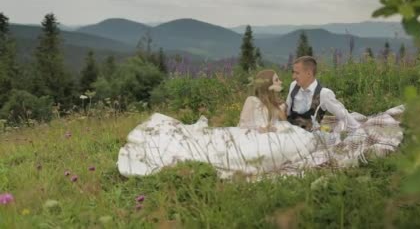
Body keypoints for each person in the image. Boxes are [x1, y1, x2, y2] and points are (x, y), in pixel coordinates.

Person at [117, 69, 405, 179]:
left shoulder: (279, 103)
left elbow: (294, 115)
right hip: (254, 137)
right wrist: (266, 129)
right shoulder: (253, 102)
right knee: (249, 148)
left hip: (281, 131)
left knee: (299, 139)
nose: (283, 82)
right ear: (269, 84)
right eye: (279, 79)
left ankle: (326, 143)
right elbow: (245, 127)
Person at [286, 56, 360, 133]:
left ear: (309, 74)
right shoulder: (294, 86)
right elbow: (287, 112)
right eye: (293, 72)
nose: (293, 76)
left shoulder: (324, 94)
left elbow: (343, 115)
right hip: (289, 131)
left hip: (307, 136)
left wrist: (357, 129)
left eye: (297, 73)